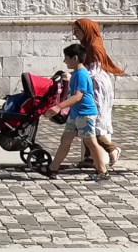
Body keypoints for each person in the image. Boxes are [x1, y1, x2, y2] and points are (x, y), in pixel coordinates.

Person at [44, 44, 110, 182]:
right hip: (76, 114)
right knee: (65, 140)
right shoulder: (77, 73)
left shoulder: (81, 74)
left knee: (91, 142)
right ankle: (52, 168)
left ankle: (102, 171)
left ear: (75, 58)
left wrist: (59, 107)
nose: (64, 61)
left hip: (85, 114)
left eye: (66, 58)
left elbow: (78, 96)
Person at [70, 18, 125, 170]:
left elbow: (93, 71)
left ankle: (111, 148)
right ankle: (89, 158)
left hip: (96, 86)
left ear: (86, 30)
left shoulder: (94, 47)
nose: (75, 34)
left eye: (77, 30)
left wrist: (74, 75)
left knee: (92, 119)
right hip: (89, 83)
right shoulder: (86, 45)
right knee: (85, 118)